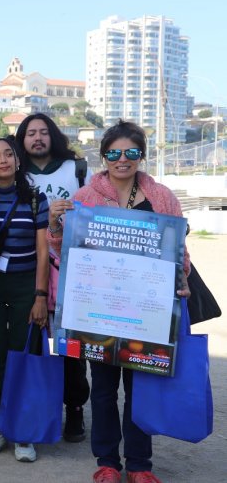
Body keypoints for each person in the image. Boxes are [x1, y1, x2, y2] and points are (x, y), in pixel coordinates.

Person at [48, 120, 190, 483]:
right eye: (113, 153)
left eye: (130, 152)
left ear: (141, 155)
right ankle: (108, 462)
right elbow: (60, 248)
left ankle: (140, 464)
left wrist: (182, 280)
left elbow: (179, 251)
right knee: (104, 390)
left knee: (141, 391)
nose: (121, 159)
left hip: (147, 313)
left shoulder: (162, 196)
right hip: (100, 313)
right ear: (103, 156)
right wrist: (54, 224)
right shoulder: (84, 197)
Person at [0, 136, 50, 462]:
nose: (2, 160)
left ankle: (23, 431)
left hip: (24, 287)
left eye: (8, 155)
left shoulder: (35, 198)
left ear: (18, 160)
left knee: (22, 357)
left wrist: (40, 296)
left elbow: (43, 251)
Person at [14, 113, 91, 443]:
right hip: (26, 268)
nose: (37, 138)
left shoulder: (75, 169)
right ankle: (36, 408)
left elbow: (94, 210)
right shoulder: (13, 170)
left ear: (54, 136)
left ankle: (74, 407)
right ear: (22, 139)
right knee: (30, 343)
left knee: (71, 346)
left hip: (68, 269)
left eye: (44, 132)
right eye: (30, 133)